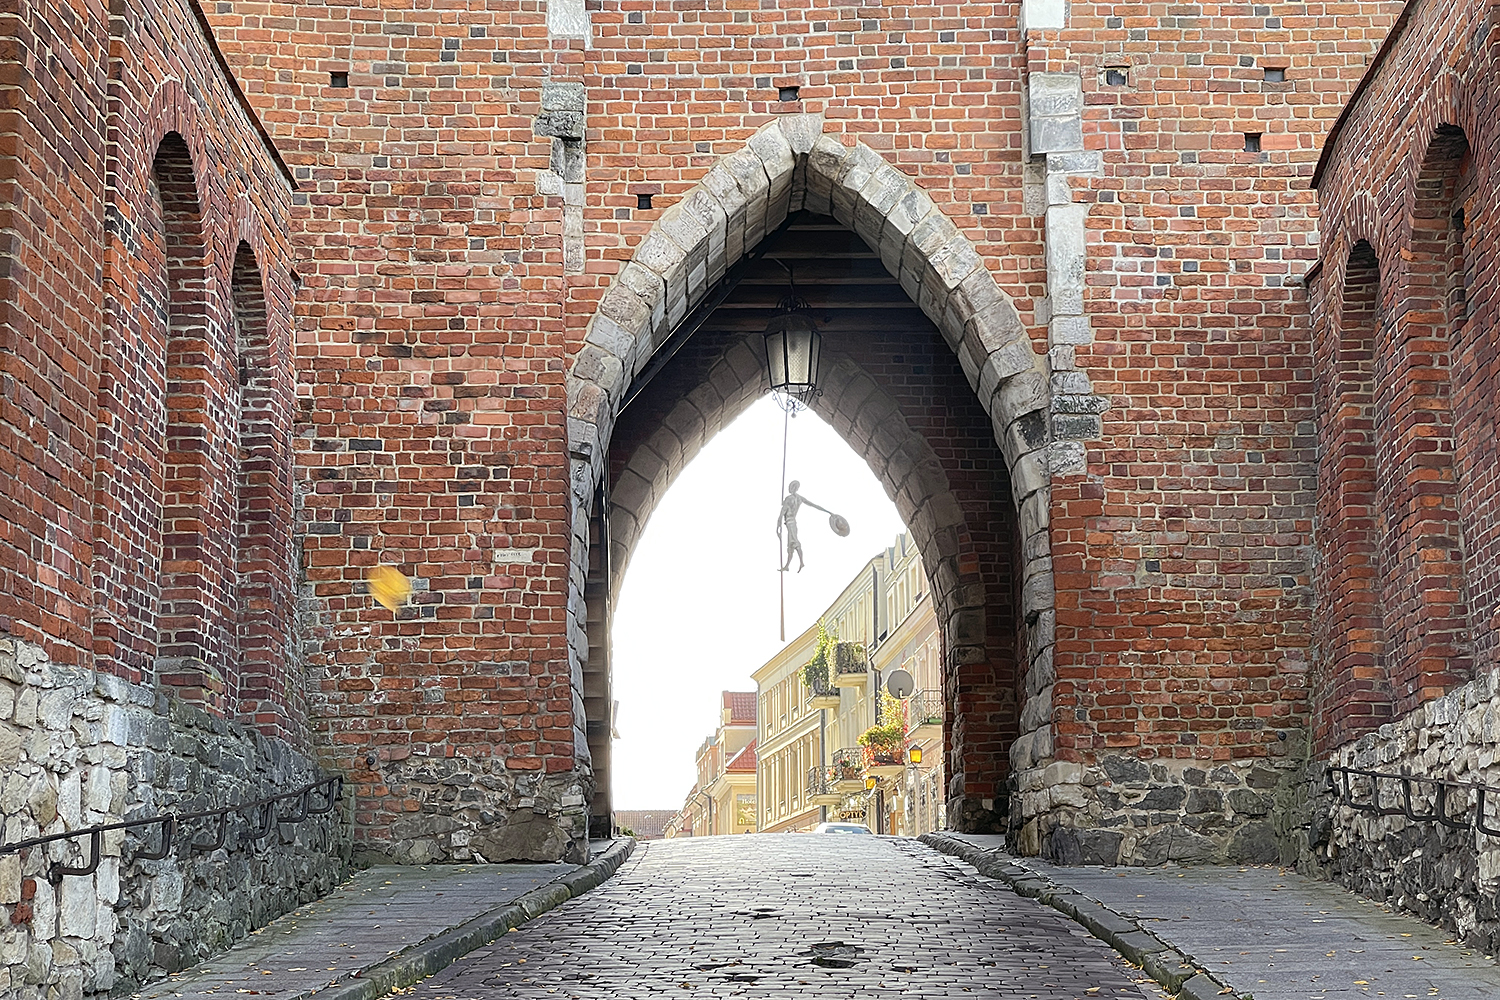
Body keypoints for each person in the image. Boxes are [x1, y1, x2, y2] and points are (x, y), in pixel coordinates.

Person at [777, 480, 831, 573]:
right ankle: (788, 565)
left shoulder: (789, 499)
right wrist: (827, 511)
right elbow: (814, 505)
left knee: (794, 542)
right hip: (792, 523)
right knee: (791, 544)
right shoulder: (799, 498)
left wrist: (778, 525)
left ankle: (801, 562)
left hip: (790, 522)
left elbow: (782, 512)